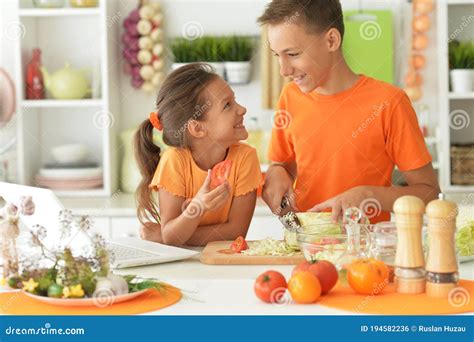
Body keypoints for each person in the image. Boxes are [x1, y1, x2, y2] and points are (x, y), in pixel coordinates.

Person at [258, 0, 440, 222]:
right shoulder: (290, 97)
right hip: (306, 246)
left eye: (293, 54)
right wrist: (277, 172)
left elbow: (429, 194)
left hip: (367, 250)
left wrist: (368, 195)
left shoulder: (389, 102)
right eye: (277, 55)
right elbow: (283, 165)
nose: (284, 70)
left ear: (331, 40)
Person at [135, 63, 262, 246]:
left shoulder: (245, 158)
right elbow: (171, 236)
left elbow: (236, 232)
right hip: (180, 264)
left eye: (234, 100)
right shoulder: (174, 162)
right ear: (197, 128)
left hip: (220, 261)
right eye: (227, 105)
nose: (242, 109)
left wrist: (169, 237)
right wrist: (198, 207)